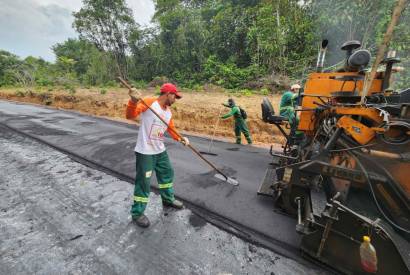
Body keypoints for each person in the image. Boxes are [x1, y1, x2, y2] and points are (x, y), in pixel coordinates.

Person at [125, 83, 189, 228]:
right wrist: (133, 101)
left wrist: (181, 138)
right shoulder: (148, 102)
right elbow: (130, 115)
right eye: (175, 97)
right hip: (145, 152)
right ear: (168, 94)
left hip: (160, 151)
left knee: (167, 173)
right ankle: (137, 213)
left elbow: (171, 129)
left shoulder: (168, 112)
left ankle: (167, 199)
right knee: (144, 183)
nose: (176, 100)